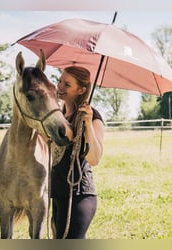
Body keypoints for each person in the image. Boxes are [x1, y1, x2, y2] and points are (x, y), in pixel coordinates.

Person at [51, 66, 104, 239]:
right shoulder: (57, 116)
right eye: (60, 81)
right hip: (58, 192)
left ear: (81, 90)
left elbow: (94, 158)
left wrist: (88, 125)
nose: (60, 87)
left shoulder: (92, 116)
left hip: (79, 195)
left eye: (67, 84)